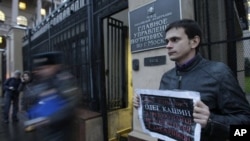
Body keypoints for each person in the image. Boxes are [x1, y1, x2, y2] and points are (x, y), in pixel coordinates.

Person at [133, 19, 250, 141]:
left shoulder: (219, 73)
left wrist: (210, 122)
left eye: (175, 40)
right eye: (167, 41)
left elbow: (244, 127)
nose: (168, 45)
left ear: (194, 42)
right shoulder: (167, 77)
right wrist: (145, 105)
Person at [22, 51, 79, 141]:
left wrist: (49, 120)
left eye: (45, 68)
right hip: (46, 132)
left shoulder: (65, 81)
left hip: (62, 133)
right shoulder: (44, 81)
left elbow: (71, 105)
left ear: (55, 66)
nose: (41, 71)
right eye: (40, 68)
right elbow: (33, 97)